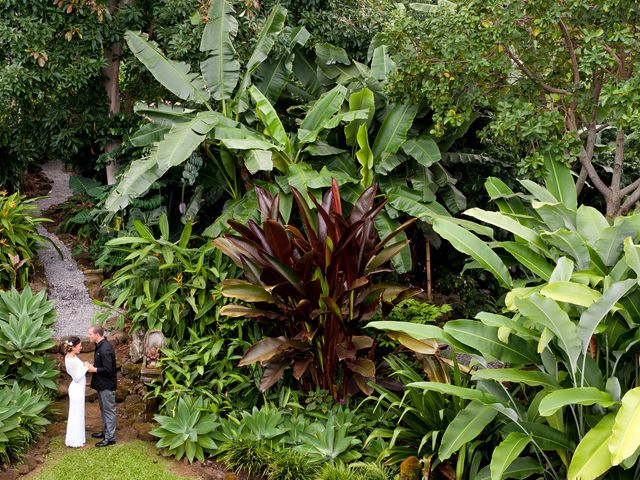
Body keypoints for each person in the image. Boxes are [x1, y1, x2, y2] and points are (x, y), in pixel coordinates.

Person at [87, 325, 117, 447]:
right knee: (103, 409)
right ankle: (106, 432)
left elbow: (108, 369)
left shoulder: (105, 348)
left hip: (106, 385)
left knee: (109, 410)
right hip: (101, 384)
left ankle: (110, 438)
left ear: (97, 335)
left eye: (90, 334)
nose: (89, 336)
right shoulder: (100, 346)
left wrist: (94, 369)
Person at [63, 336, 89, 448]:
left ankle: (78, 438)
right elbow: (77, 377)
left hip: (79, 389)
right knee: (76, 414)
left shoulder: (73, 357)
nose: (81, 347)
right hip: (76, 389)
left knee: (78, 413)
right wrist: (86, 367)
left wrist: (83, 365)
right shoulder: (70, 359)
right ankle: (75, 440)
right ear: (73, 347)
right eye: (79, 346)